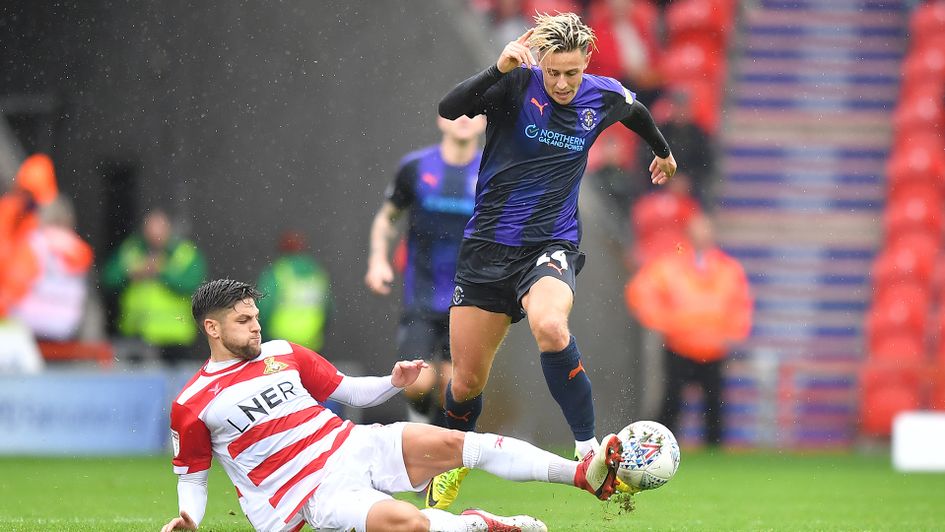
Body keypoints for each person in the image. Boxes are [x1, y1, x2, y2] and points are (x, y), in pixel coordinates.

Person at [429, 12, 676, 508]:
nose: (562, 83)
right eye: (554, 73)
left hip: (550, 245)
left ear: (587, 64)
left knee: (551, 326)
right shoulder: (514, 84)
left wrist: (663, 153)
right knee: (466, 382)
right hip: (487, 251)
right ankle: (453, 461)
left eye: (572, 73)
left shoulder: (602, 95)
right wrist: (497, 68)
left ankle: (588, 451)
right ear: (539, 63)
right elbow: (450, 107)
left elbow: (636, 112)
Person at [161, 279, 623, 532]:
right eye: (243, 321)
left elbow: (346, 391)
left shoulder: (281, 352)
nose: (256, 327)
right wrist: (189, 520)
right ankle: (475, 527)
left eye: (256, 317)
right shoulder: (192, 403)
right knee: (407, 524)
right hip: (310, 493)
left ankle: (581, 474)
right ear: (212, 329)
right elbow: (193, 478)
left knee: (461, 444)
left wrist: (392, 382)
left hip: (350, 443)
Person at [365, 114, 486, 426]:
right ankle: (422, 419)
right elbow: (387, 217)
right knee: (416, 383)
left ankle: (437, 441)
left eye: (474, 112)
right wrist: (378, 260)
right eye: (457, 111)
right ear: (441, 120)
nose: (465, 118)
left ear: (484, 122)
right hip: (421, 295)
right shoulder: (416, 167)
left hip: (469, 300)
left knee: (454, 387)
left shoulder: (492, 170)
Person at [624, 215, 752, 446]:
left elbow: (740, 303)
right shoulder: (671, 266)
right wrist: (664, 321)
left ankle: (714, 452)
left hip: (713, 348)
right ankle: (657, 447)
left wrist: (733, 331)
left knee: (714, 406)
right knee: (671, 403)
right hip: (679, 346)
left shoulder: (727, 268)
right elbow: (641, 293)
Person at [102, 209, 207, 365]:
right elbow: (109, 278)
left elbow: (193, 284)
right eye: (150, 228)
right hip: (136, 334)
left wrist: (162, 273)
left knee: (175, 378)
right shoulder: (131, 249)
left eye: (159, 228)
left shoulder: (184, 253)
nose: (154, 234)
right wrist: (130, 274)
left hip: (174, 337)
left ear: (168, 229)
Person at [9, 197, 94, 341]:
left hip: (28, 324)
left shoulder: (31, 242)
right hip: (66, 326)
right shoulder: (80, 248)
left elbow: (14, 283)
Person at [256, 230, 332, 351]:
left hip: (280, 343)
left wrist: (260, 333)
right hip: (312, 343)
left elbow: (263, 308)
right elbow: (329, 308)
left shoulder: (278, 272)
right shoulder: (317, 272)